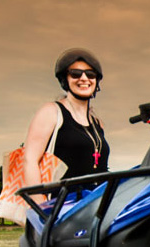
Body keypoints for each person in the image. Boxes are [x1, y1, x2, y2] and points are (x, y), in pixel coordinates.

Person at [23, 48, 110, 193]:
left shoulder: (96, 123)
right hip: (60, 205)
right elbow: (30, 161)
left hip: (93, 204)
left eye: (90, 74)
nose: (84, 78)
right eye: (75, 73)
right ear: (65, 79)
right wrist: (41, 209)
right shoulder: (51, 112)